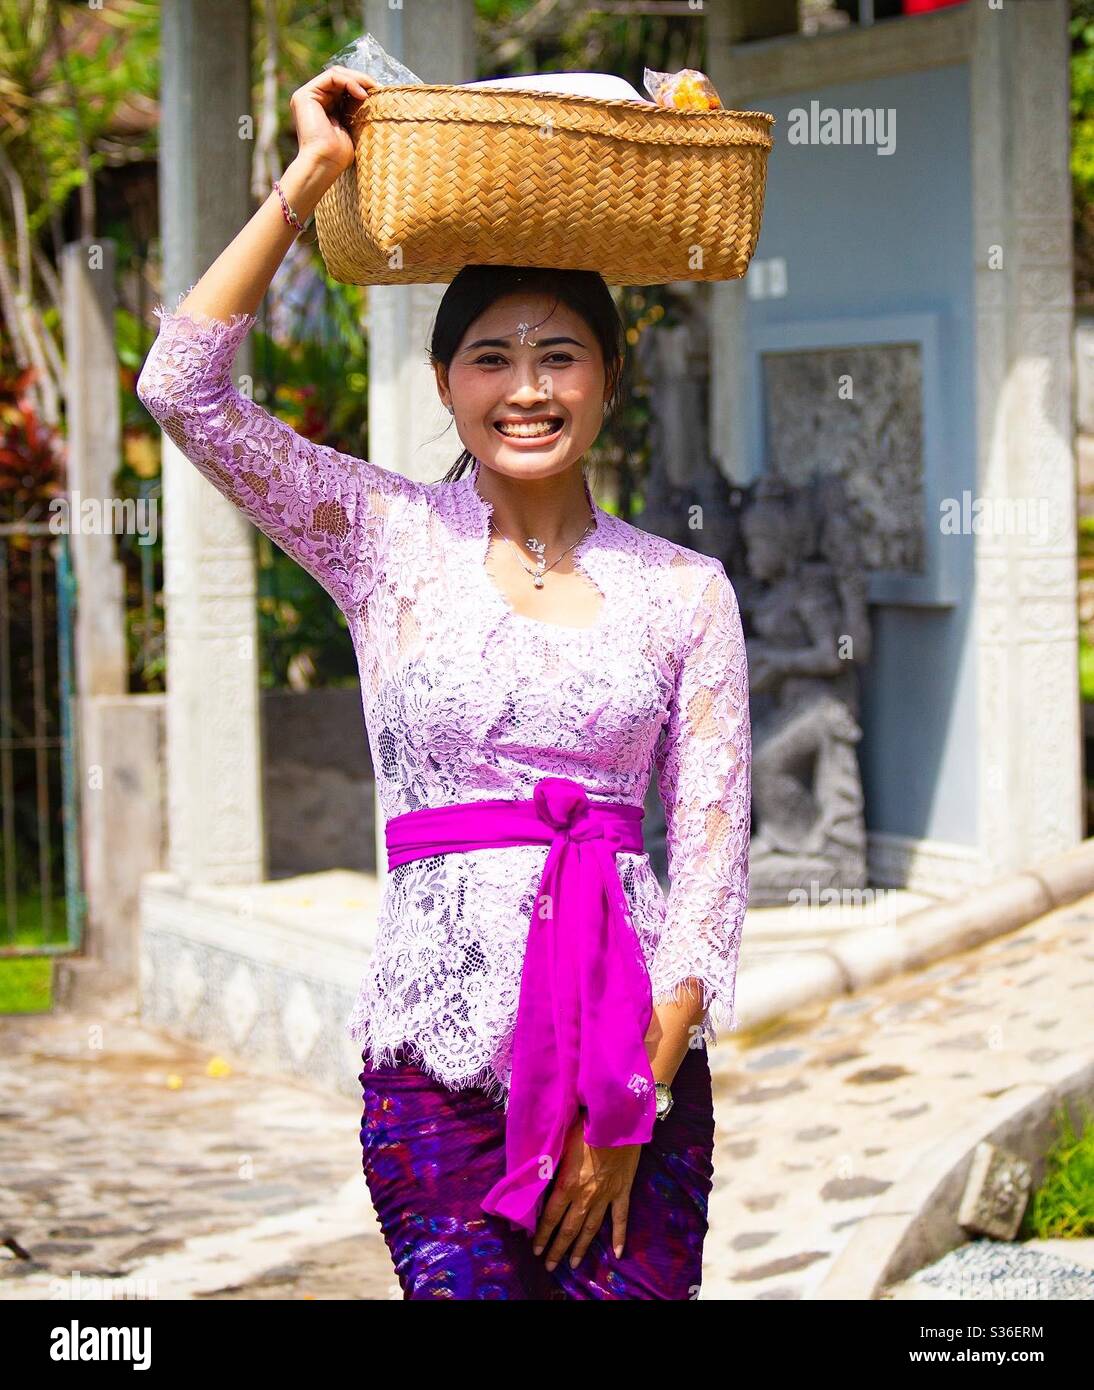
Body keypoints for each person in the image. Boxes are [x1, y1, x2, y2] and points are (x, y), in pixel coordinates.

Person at [135, 65, 752, 1300]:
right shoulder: (380, 539)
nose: (526, 388)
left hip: (632, 1082)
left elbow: (711, 865)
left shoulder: (684, 590)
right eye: (491, 357)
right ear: (444, 383)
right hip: (432, 1075)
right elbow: (181, 390)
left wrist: (630, 1100)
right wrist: (304, 185)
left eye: (559, 356)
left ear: (607, 379)